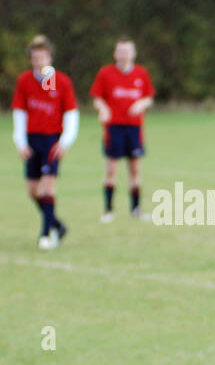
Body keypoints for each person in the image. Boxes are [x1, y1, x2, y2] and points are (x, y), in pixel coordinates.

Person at [11, 35, 78, 250]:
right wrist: (20, 142)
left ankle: (46, 234)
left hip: (52, 140)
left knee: (48, 188)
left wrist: (65, 141)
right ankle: (57, 225)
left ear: (50, 58)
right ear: (31, 59)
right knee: (33, 191)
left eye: (43, 57)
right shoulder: (24, 81)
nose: (40, 61)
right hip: (33, 139)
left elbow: (71, 113)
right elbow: (20, 112)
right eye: (35, 57)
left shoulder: (61, 81)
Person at [90, 37, 155, 222]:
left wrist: (141, 104)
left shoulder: (141, 74)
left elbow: (149, 97)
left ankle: (136, 209)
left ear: (133, 53)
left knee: (135, 170)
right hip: (114, 127)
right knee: (111, 170)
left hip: (134, 128)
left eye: (128, 51)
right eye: (121, 51)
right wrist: (103, 108)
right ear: (115, 53)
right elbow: (97, 97)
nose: (124, 55)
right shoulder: (105, 73)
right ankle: (108, 210)